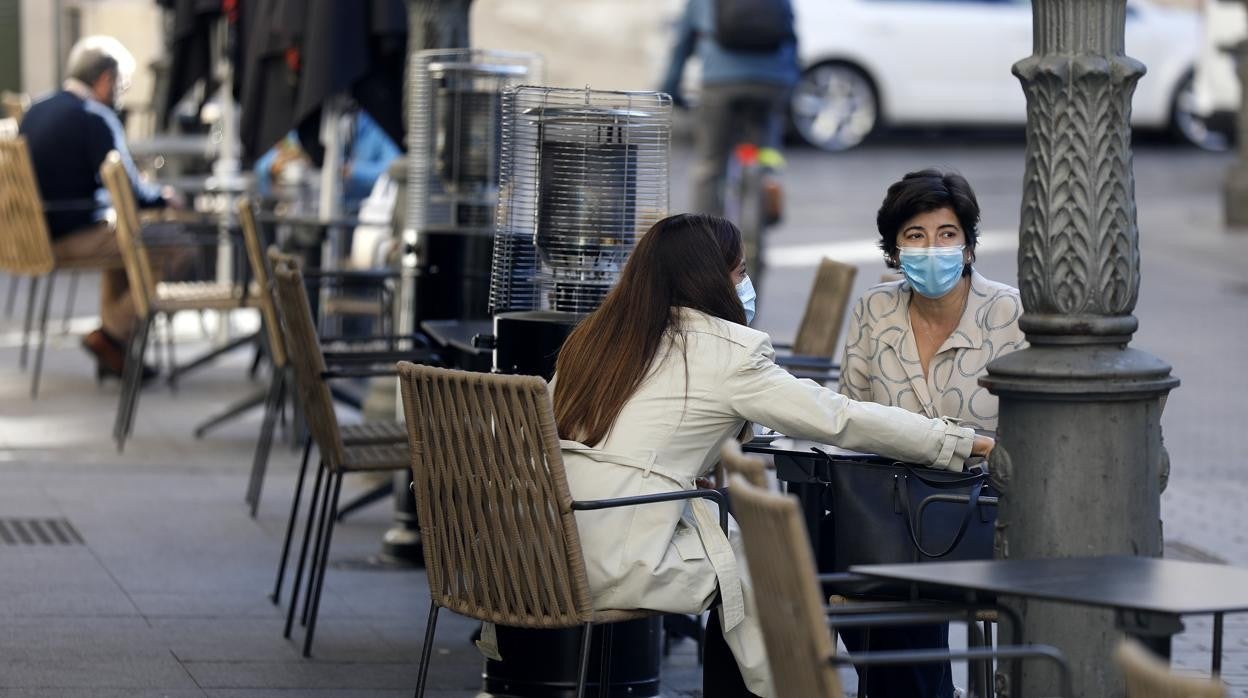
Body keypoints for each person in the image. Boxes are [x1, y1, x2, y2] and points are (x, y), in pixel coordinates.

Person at [551, 213, 993, 698]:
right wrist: (955, 441)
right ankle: (794, 688)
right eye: (739, 272)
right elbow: (838, 416)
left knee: (748, 549)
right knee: (774, 562)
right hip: (619, 554)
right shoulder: (722, 352)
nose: (745, 284)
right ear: (707, 279)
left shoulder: (597, 338)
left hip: (547, 546)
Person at [836, 169, 1026, 697]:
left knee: (898, 601)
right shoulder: (874, 310)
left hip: (982, 513)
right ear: (894, 250)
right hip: (891, 512)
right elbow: (851, 417)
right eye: (915, 236)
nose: (932, 248)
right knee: (868, 590)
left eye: (946, 234)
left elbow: (1031, 434)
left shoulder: (1010, 312)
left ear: (968, 246)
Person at [19, 36, 185, 379]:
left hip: (33, 235)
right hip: (71, 235)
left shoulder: (36, 109)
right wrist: (164, 196)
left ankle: (114, 347)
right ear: (105, 79)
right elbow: (130, 189)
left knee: (126, 238)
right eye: (121, 84)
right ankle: (111, 334)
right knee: (174, 243)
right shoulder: (94, 117)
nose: (119, 93)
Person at [659, 0, 799, 286]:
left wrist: (670, 88)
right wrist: (789, 84)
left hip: (720, 82)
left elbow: (683, 41)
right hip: (772, 83)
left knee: (709, 165)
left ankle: (703, 245)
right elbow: (792, 37)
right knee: (766, 157)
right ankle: (766, 192)